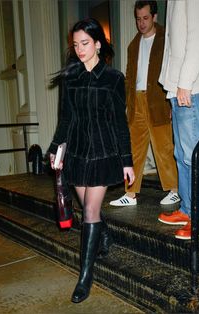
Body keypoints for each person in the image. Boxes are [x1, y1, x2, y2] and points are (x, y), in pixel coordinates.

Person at [48, 18, 135, 303]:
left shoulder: (113, 79)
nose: (80, 49)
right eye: (75, 45)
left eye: (85, 43)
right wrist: (54, 148)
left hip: (103, 152)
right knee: (89, 208)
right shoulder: (69, 78)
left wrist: (127, 160)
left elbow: (120, 124)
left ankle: (85, 276)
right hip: (76, 151)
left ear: (98, 43)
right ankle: (104, 237)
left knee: (88, 213)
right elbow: (66, 118)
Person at [110, 0, 179, 207]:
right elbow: (130, 76)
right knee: (133, 148)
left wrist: (171, 101)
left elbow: (172, 69)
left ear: (155, 17)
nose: (141, 23)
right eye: (138, 19)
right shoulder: (134, 44)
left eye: (145, 18)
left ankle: (174, 190)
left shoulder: (166, 38)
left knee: (164, 148)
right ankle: (130, 194)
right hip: (137, 102)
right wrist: (125, 103)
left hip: (158, 101)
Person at [158, 0, 199, 240]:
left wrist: (184, 83)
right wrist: (172, 90)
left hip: (190, 86)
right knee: (181, 155)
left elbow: (196, 40)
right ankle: (187, 209)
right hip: (178, 88)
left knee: (193, 157)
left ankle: (197, 216)